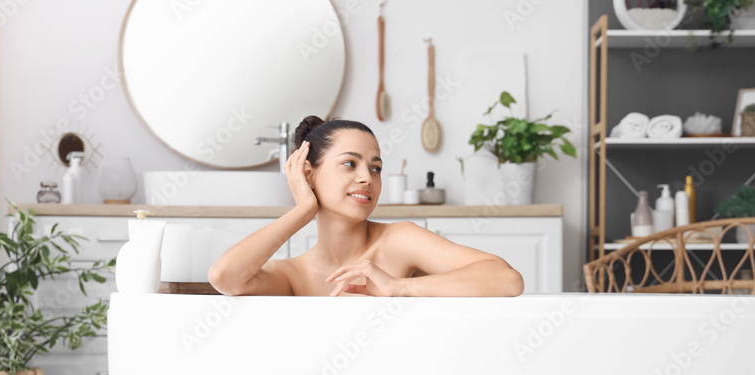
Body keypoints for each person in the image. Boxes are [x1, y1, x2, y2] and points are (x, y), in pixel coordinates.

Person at [208, 116, 525, 297]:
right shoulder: (294, 274)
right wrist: (303, 208)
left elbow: (506, 279)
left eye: (375, 168)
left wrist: (397, 286)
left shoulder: (398, 241)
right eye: (349, 164)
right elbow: (225, 277)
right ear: (308, 174)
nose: (366, 178)